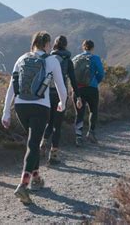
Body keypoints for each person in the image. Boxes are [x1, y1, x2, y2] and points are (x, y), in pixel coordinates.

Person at [1, 31, 67, 204]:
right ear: (46, 44)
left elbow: (12, 87)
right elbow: (61, 86)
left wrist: (6, 112)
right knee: (33, 144)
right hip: (40, 106)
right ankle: (23, 185)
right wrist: (63, 103)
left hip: (21, 107)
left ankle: (36, 178)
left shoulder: (21, 59)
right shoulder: (51, 60)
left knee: (34, 141)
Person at [40, 35, 82, 165]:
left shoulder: (48, 59)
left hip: (46, 95)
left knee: (48, 122)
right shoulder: (67, 61)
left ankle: (43, 142)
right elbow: (73, 80)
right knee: (57, 126)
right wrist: (78, 96)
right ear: (65, 45)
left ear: (54, 45)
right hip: (60, 95)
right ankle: (54, 155)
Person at [72, 40, 105, 147]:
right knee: (93, 110)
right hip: (91, 88)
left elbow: (71, 74)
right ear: (92, 48)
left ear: (83, 47)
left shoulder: (76, 58)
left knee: (79, 113)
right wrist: (95, 82)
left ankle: (78, 137)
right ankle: (91, 132)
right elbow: (101, 73)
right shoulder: (95, 58)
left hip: (78, 90)